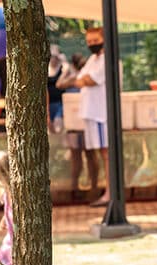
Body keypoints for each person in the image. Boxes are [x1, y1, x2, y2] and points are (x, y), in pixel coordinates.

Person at [75, 27, 110, 207]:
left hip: (101, 113)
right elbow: (80, 79)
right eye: (89, 42)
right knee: (99, 153)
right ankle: (105, 190)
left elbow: (89, 80)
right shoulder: (92, 59)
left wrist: (85, 80)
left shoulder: (107, 60)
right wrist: (85, 80)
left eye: (95, 41)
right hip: (91, 112)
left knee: (106, 153)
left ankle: (110, 192)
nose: (92, 45)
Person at [57, 52, 99, 199]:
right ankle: (74, 188)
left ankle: (94, 187)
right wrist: (69, 72)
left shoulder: (89, 77)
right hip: (73, 123)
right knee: (76, 156)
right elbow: (59, 84)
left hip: (87, 120)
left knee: (90, 155)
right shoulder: (74, 78)